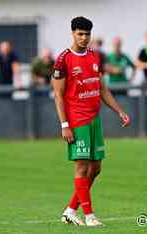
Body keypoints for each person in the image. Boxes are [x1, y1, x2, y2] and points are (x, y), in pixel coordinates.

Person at [53, 16, 130, 227]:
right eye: (80, 34)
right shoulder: (63, 60)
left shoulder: (95, 57)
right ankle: (89, 216)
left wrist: (119, 111)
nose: (84, 38)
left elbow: (102, 88)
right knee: (82, 167)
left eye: (87, 34)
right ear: (73, 33)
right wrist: (64, 125)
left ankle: (70, 210)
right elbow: (58, 95)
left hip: (94, 119)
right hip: (77, 121)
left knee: (96, 169)